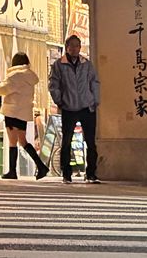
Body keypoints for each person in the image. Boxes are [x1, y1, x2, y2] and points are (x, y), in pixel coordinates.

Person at [0, 52, 48, 180]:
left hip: (12, 111)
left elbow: (0, 89)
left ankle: (13, 171)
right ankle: (40, 166)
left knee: (13, 141)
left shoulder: (15, 76)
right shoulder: (30, 76)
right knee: (23, 141)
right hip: (23, 112)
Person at [48, 34, 100, 183]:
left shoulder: (86, 64)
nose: (75, 49)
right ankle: (66, 174)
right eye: (72, 46)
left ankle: (91, 173)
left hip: (86, 106)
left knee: (90, 141)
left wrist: (95, 100)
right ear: (67, 48)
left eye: (77, 46)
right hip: (69, 107)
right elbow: (53, 84)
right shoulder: (59, 65)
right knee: (66, 141)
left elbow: (94, 82)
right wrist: (59, 100)